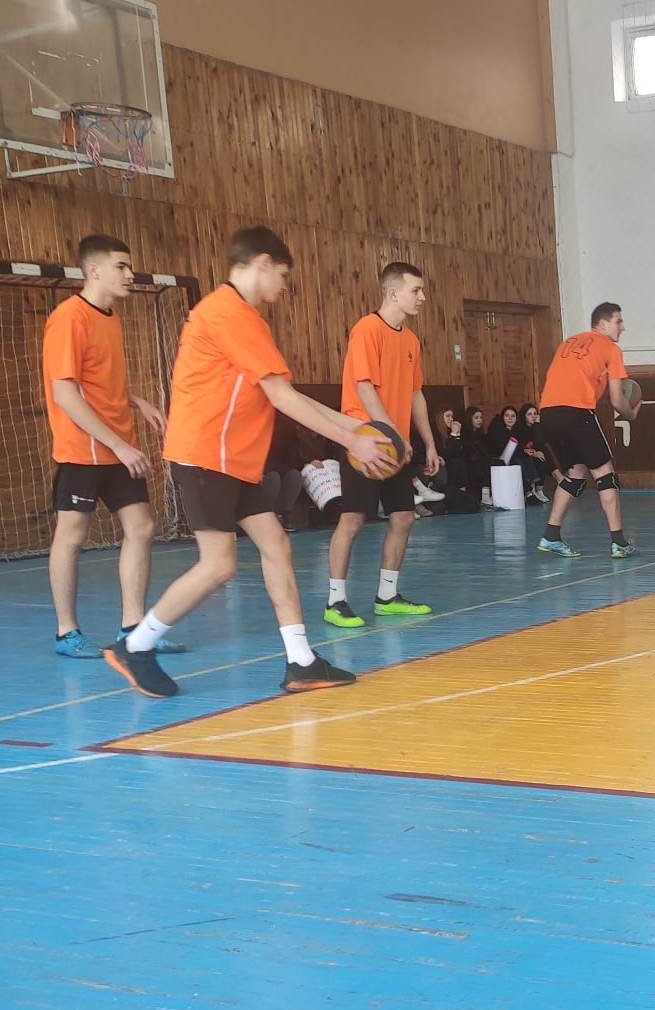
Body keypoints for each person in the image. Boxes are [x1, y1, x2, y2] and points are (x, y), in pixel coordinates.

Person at [103, 225, 395, 700]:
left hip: (232, 460)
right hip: (206, 457)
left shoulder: (241, 316)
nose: (284, 287)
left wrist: (357, 429)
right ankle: (135, 646)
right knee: (219, 564)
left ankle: (301, 661)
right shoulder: (228, 314)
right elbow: (282, 397)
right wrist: (352, 440)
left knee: (276, 545)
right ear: (262, 264)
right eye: (283, 275)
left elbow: (285, 393)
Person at [42, 233, 184, 659]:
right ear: (93, 270)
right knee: (72, 535)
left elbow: (100, 382)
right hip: (83, 449)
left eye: (129, 266)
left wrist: (136, 402)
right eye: (121, 266)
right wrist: (118, 446)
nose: (130, 274)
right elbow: (66, 394)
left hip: (119, 444)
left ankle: (133, 629)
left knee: (141, 527)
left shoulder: (110, 318)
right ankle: (67, 632)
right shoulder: (68, 318)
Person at [324, 263, 440, 627]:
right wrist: (393, 434)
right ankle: (335, 601)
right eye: (415, 290)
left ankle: (387, 596)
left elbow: (416, 394)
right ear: (393, 293)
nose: (422, 297)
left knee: (403, 516)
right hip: (363, 440)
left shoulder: (411, 341)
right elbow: (364, 388)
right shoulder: (366, 329)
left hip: (396, 445)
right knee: (353, 518)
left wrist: (429, 442)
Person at [535, 301, 639, 559]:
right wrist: (631, 413)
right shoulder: (611, 349)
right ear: (602, 324)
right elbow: (617, 400)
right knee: (606, 476)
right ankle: (619, 542)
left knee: (576, 474)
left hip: (547, 415)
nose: (622, 327)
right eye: (618, 321)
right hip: (576, 413)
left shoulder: (567, 343)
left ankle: (551, 536)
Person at [518, 402, 551, 504]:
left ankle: (539, 491)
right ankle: (532, 491)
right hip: (523, 455)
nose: (533, 416)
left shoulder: (537, 428)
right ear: (524, 416)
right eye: (529, 414)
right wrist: (534, 453)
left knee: (543, 457)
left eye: (535, 414)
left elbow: (540, 443)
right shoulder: (520, 428)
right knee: (532, 460)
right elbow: (521, 447)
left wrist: (537, 425)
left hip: (534, 454)